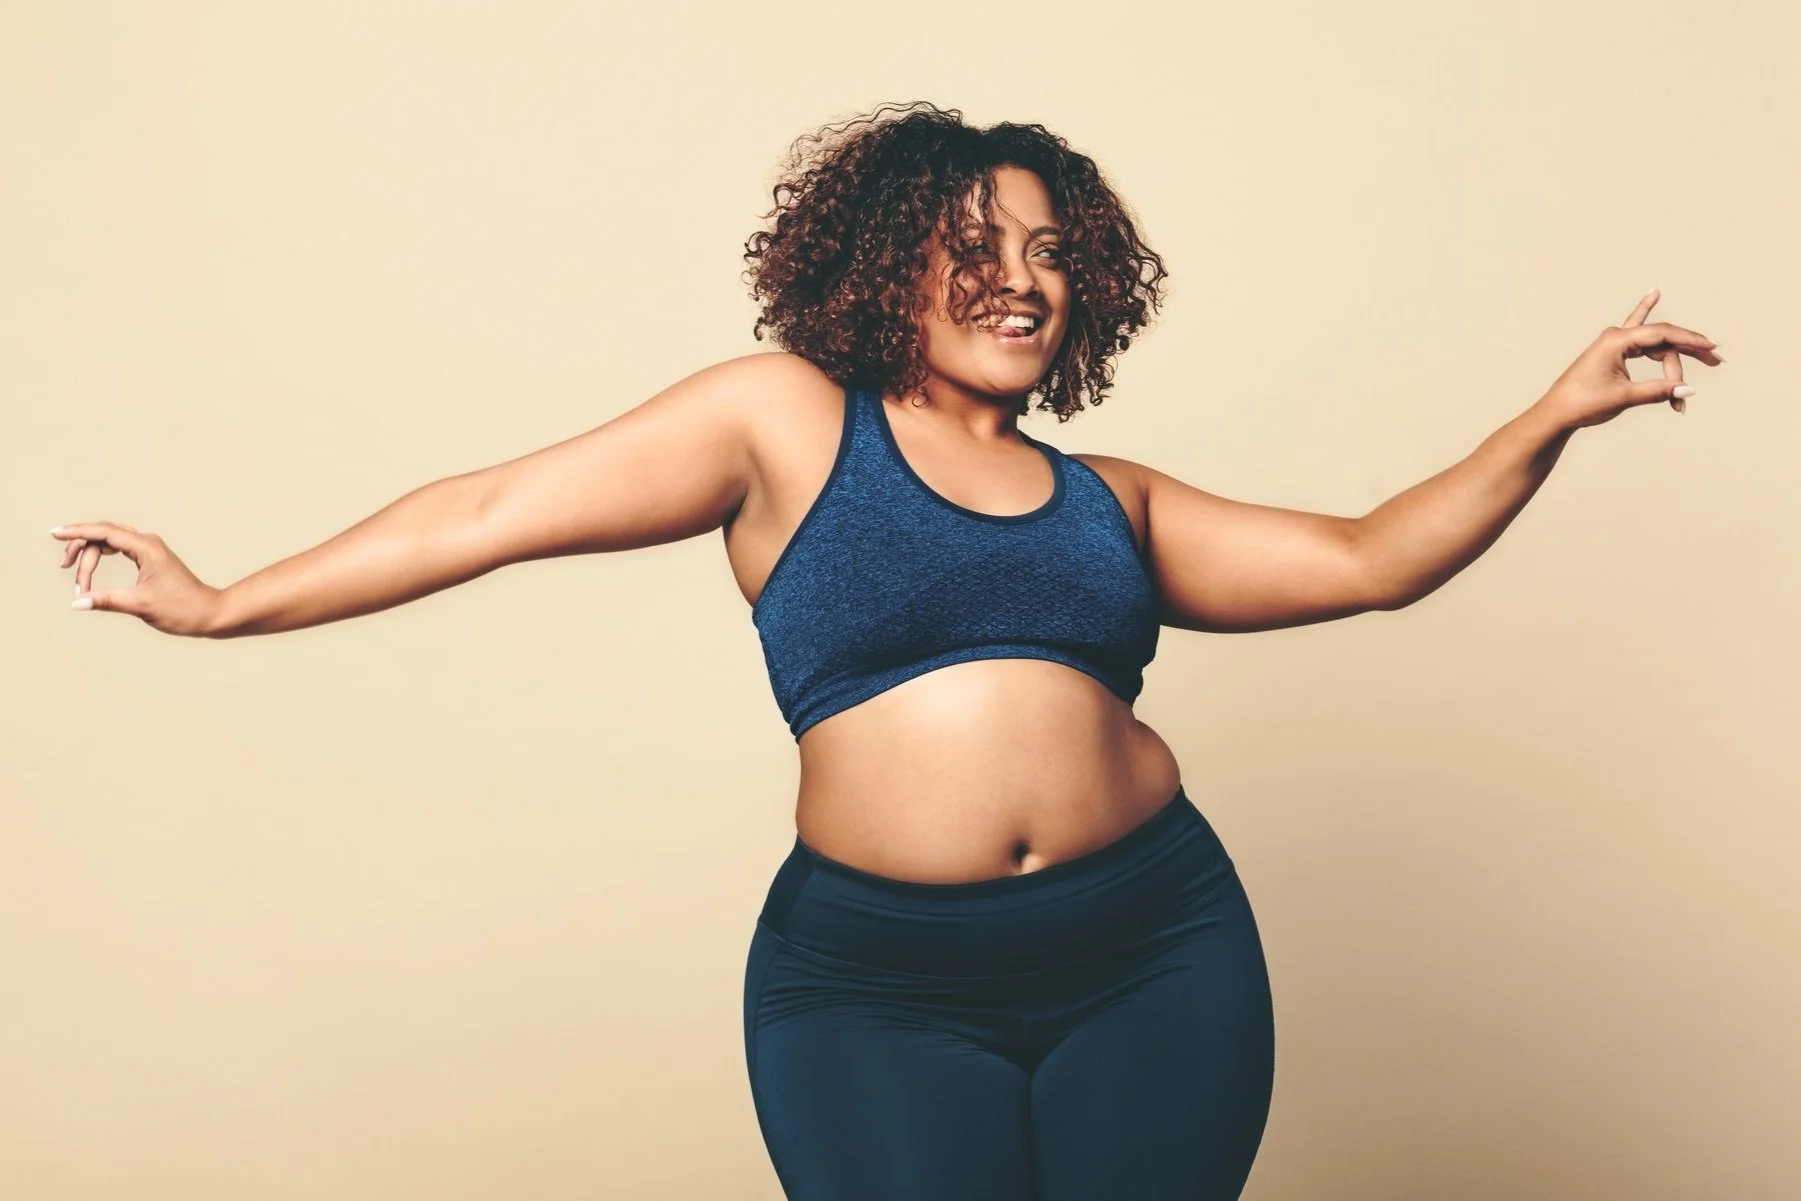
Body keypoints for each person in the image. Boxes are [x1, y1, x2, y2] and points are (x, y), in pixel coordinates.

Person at [48, 101, 1719, 1200]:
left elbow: (1370, 559)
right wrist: (219, 601)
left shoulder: (1109, 501)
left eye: (1051, 252)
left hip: (1156, 952)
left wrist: (1556, 411)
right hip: (874, 986)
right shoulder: (784, 426)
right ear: (884, 258)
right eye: (975, 245)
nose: (1021, 279)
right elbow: (488, 508)